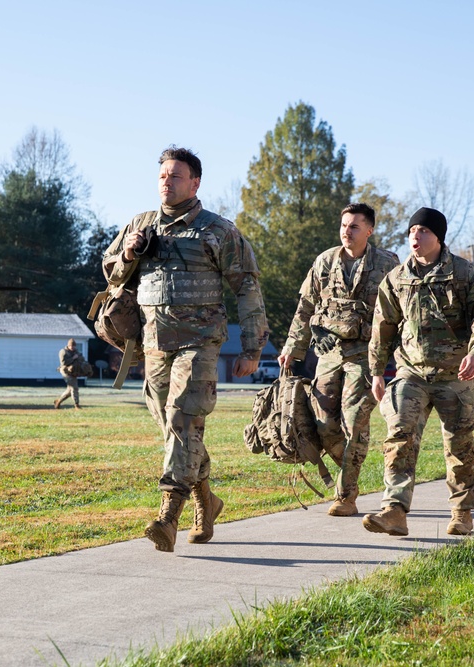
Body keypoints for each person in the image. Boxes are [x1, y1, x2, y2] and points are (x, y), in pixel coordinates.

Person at [102, 146, 269, 553]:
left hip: (200, 344)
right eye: (162, 175)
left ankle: (168, 516)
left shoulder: (218, 230)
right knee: (176, 429)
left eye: (176, 176)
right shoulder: (140, 225)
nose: (167, 181)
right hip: (154, 345)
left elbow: (247, 287)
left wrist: (252, 347)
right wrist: (128, 254)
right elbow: (110, 271)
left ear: (195, 183)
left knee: (182, 417)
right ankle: (207, 502)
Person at [363, 207, 474, 537]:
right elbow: (382, 325)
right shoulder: (397, 278)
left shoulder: (466, 274)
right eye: (412, 231)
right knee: (399, 435)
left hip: (457, 374)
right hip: (410, 373)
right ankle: (394, 510)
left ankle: (462, 512)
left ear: (438, 237)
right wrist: (377, 372)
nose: (415, 236)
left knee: (459, 445)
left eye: (423, 231)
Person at [278, 203, 399, 517]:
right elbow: (306, 306)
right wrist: (293, 347)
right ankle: (351, 469)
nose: (347, 231)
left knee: (354, 419)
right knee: (325, 426)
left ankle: (346, 495)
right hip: (329, 353)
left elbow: (402, 311)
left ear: (369, 230)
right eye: (344, 225)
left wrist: (399, 353)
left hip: (366, 355)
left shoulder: (387, 263)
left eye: (355, 226)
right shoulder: (324, 261)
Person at [55, 339, 84, 410]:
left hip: (73, 372)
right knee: (74, 388)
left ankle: (58, 401)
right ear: (68, 345)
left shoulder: (75, 352)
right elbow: (64, 363)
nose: (73, 347)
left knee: (69, 391)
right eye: (71, 346)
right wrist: (73, 358)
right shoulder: (63, 352)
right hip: (66, 372)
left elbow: (82, 359)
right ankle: (76, 405)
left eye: (74, 346)